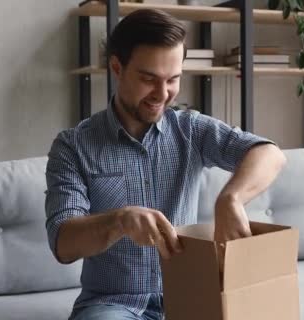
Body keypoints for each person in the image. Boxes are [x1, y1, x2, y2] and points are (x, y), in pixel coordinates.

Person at [44, 8, 286, 320]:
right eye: (148, 79)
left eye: (173, 79)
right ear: (117, 67)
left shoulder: (191, 129)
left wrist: (232, 198)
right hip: (113, 304)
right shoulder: (73, 146)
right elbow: (63, 243)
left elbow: (270, 153)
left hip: (193, 293)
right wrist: (120, 221)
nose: (162, 94)